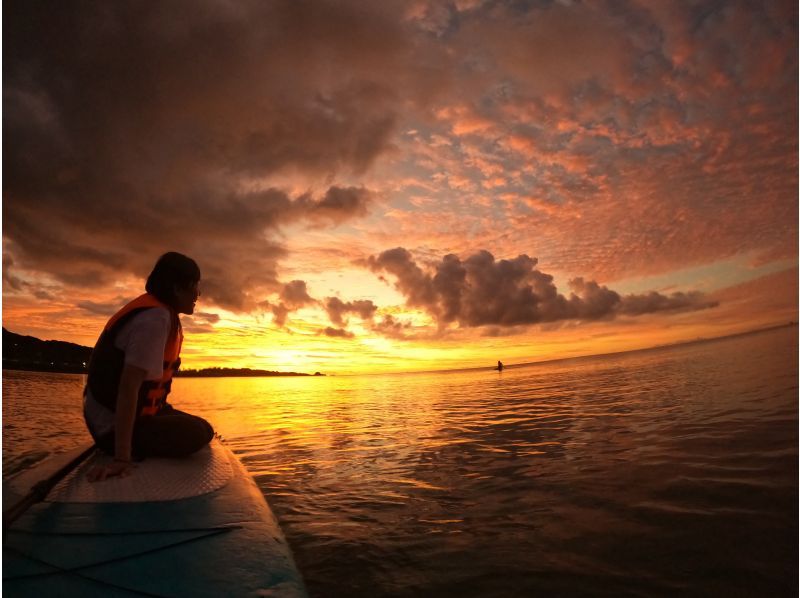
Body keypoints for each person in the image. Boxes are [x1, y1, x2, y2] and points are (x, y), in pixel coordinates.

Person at [83, 252, 214, 482]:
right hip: (110, 427)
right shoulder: (154, 319)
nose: (198, 293)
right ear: (176, 288)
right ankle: (124, 447)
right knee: (196, 433)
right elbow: (128, 387)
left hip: (136, 417)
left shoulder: (163, 315)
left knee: (203, 427)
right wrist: (122, 458)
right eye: (195, 286)